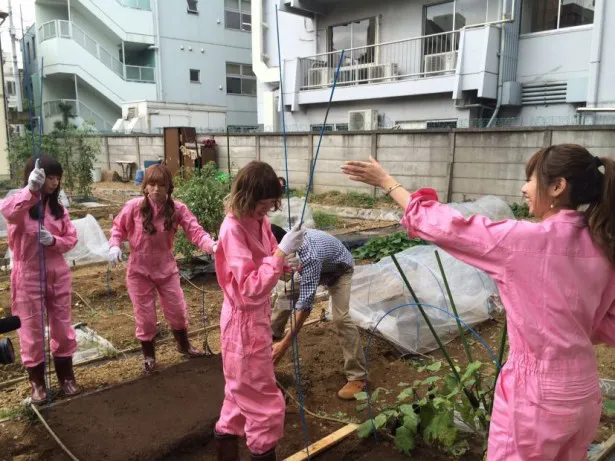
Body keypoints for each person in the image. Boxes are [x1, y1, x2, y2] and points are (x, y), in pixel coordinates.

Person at [342, 145, 615, 460]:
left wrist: (388, 183)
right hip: (583, 393)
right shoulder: (601, 246)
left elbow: (448, 227)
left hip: (537, 397)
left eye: (531, 180)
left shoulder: (526, 242)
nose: (524, 189)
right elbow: (604, 326)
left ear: (557, 187)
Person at [214, 161, 305, 461]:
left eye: (269, 205)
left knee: (238, 399)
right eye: (261, 205)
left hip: (255, 319)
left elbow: (265, 261)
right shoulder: (232, 228)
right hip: (243, 324)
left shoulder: (261, 222)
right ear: (245, 198)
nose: (265, 211)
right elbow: (251, 285)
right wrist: (279, 254)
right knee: (265, 406)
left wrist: (283, 263)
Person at [108, 164, 215, 373]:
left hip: (166, 268)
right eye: (152, 184)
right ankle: (149, 356)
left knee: (177, 309)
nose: (156, 189)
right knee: (145, 316)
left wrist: (211, 245)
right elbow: (117, 228)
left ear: (169, 187)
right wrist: (114, 244)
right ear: (146, 186)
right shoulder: (133, 207)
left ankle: (184, 346)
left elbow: (195, 231)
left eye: (161, 185)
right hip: (139, 270)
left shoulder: (177, 209)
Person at [0, 156, 79, 403]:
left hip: (58, 272)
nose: (54, 183)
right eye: (49, 177)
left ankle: (66, 376)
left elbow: (71, 238)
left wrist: (54, 241)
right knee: (32, 329)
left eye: (57, 178)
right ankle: (37, 383)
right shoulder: (21, 207)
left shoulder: (58, 210)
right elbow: (7, 211)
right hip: (29, 274)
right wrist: (30, 190)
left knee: (62, 327)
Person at [269, 223, 368, 400]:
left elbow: (304, 307)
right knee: (285, 298)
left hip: (339, 271)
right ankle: (272, 333)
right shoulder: (283, 235)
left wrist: (284, 347)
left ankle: (357, 376)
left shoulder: (310, 257)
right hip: (314, 265)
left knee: (341, 318)